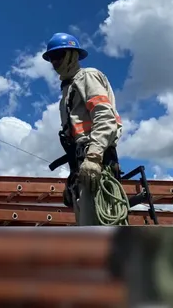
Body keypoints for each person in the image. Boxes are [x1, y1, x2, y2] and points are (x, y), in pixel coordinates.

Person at [42, 32, 123, 226]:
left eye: (59, 55)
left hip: (96, 162)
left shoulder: (87, 77)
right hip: (82, 166)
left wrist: (94, 157)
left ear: (73, 55)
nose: (54, 61)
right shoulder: (68, 89)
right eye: (52, 57)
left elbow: (105, 118)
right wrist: (73, 177)